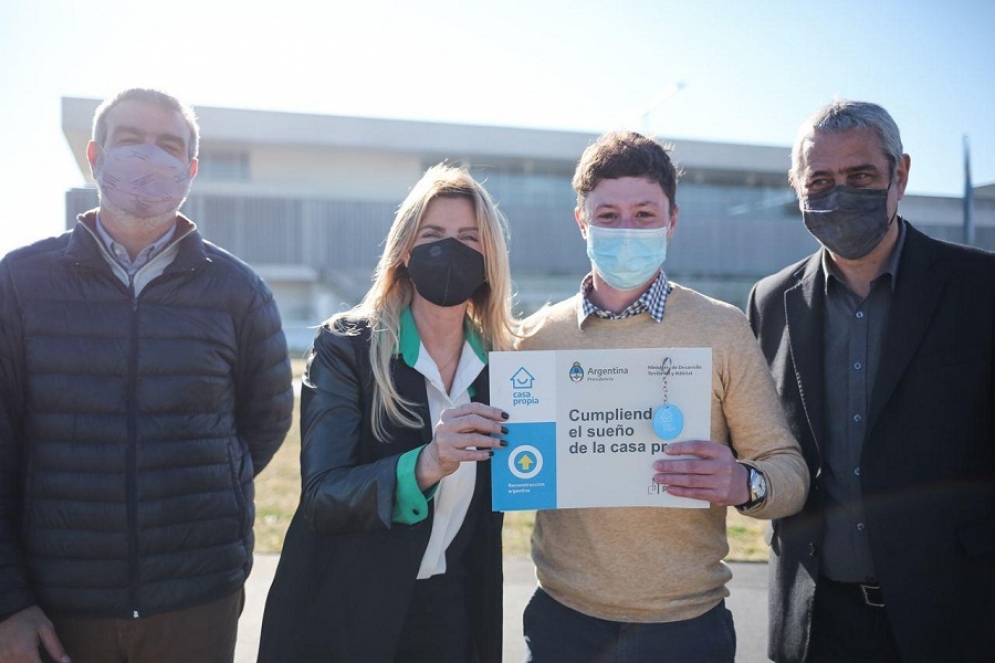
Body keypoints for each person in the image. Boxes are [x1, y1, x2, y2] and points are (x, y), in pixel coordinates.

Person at [0, 88, 294, 663]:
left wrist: (206, 485)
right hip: (58, 607)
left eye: (168, 145)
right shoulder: (19, 283)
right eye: (130, 139)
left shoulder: (238, 290)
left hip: (196, 598)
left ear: (189, 169)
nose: (148, 156)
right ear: (95, 156)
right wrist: (8, 601)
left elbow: (265, 420)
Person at [516, 130, 809, 662]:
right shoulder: (535, 337)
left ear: (673, 220)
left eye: (645, 214)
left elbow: (788, 474)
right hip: (563, 623)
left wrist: (745, 481)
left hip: (686, 630)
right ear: (581, 220)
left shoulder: (722, 329)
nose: (625, 229)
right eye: (607, 215)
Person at [748, 100, 995, 662]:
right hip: (814, 621)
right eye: (820, 180)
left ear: (899, 175)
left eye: (861, 176)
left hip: (953, 616)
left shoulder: (981, 288)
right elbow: (761, 440)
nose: (840, 193)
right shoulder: (769, 301)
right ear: (798, 186)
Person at [257, 164, 515, 663]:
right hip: (349, 609)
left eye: (469, 238)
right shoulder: (347, 346)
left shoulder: (504, 364)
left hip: (452, 610)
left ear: (489, 259)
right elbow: (323, 495)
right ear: (404, 249)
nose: (451, 250)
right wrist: (426, 464)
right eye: (434, 235)